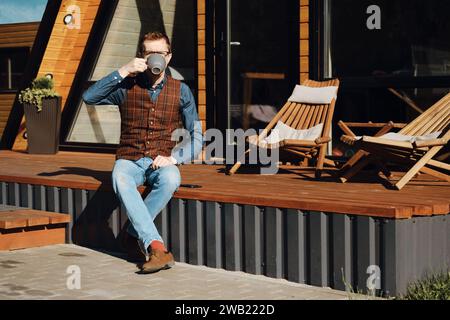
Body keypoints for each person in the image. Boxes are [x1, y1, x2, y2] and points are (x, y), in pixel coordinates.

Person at [82, 32, 203, 273]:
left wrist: (174, 158)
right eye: (150, 53)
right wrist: (123, 70)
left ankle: (131, 235)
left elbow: (197, 137)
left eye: (161, 53)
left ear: (168, 57)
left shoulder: (182, 91)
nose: (156, 58)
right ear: (142, 57)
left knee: (172, 178)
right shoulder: (126, 86)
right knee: (120, 177)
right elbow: (89, 96)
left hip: (162, 159)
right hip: (130, 158)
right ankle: (157, 247)